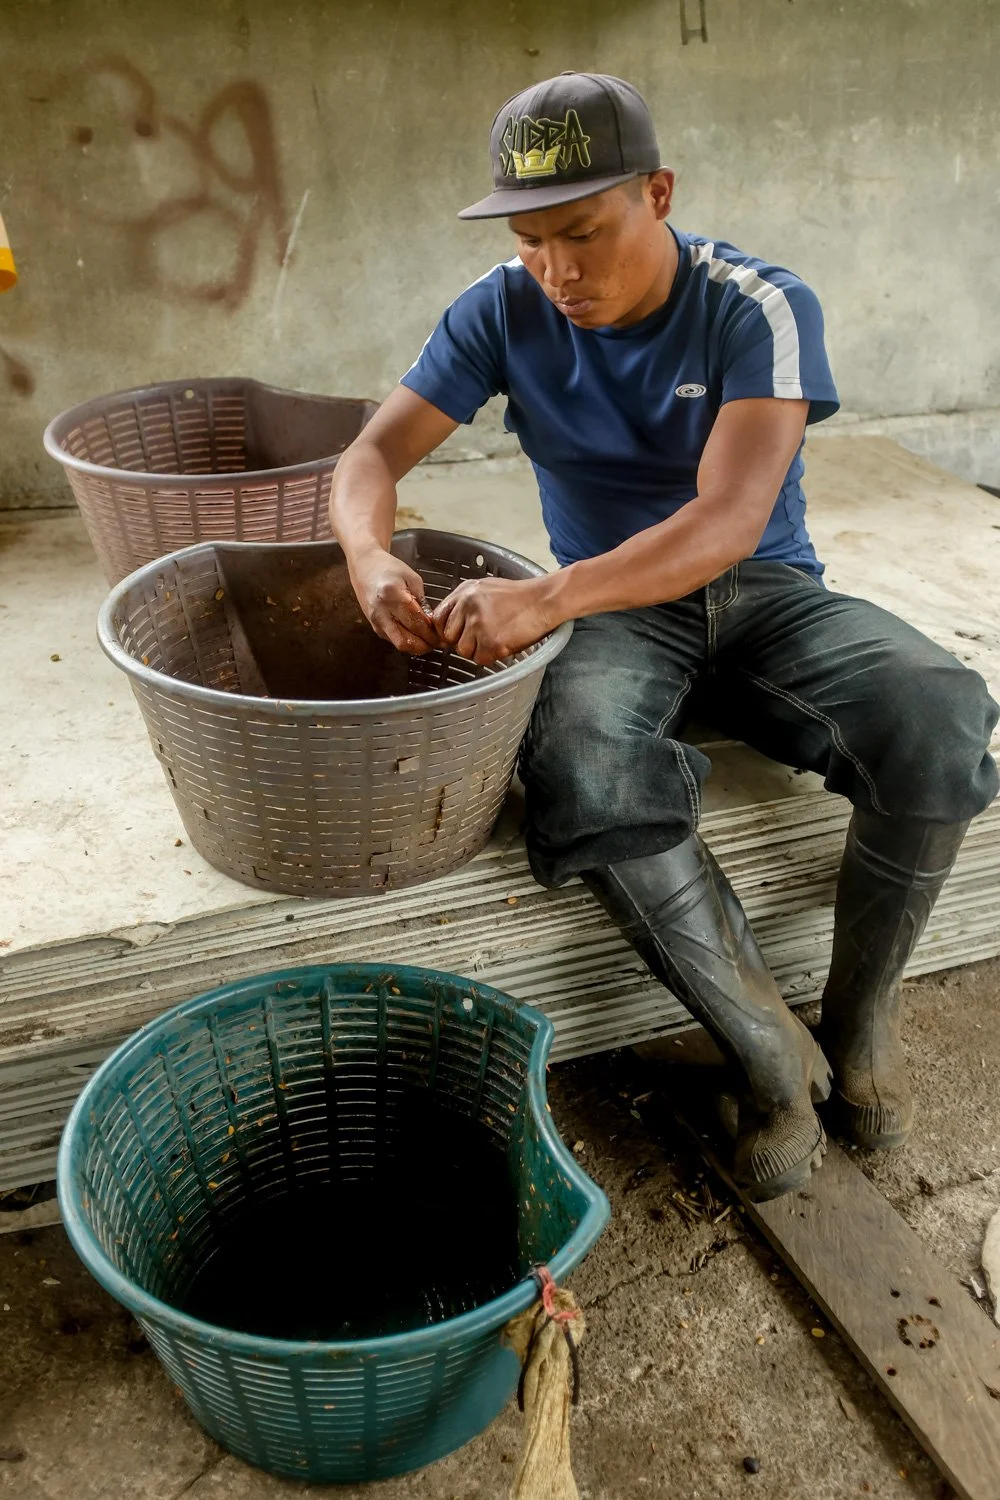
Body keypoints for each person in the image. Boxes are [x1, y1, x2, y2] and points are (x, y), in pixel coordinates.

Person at [330, 72, 998, 1201]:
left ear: (658, 192)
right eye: (534, 240)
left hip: (762, 590)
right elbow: (367, 459)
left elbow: (729, 519)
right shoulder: (501, 304)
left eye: (584, 234)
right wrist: (366, 553)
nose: (559, 272)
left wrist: (541, 599)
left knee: (938, 710)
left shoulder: (757, 304)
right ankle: (770, 1055)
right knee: (579, 765)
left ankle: (860, 1019)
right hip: (613, 613)